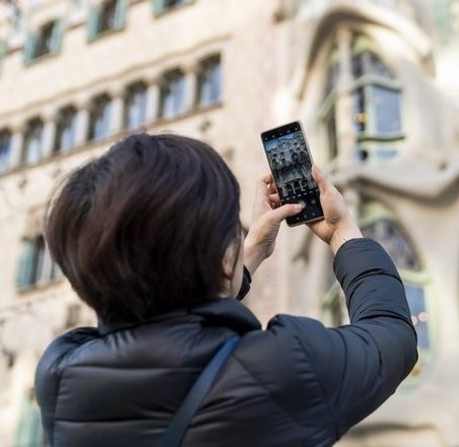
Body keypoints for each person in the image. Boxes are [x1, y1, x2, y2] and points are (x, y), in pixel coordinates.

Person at [35, 133, 418, 447]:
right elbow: (393, 334)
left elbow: (169, 325)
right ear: (222, 258)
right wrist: (341, 232)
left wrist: (244, 256)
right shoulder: (282, 367)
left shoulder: (60, 375)